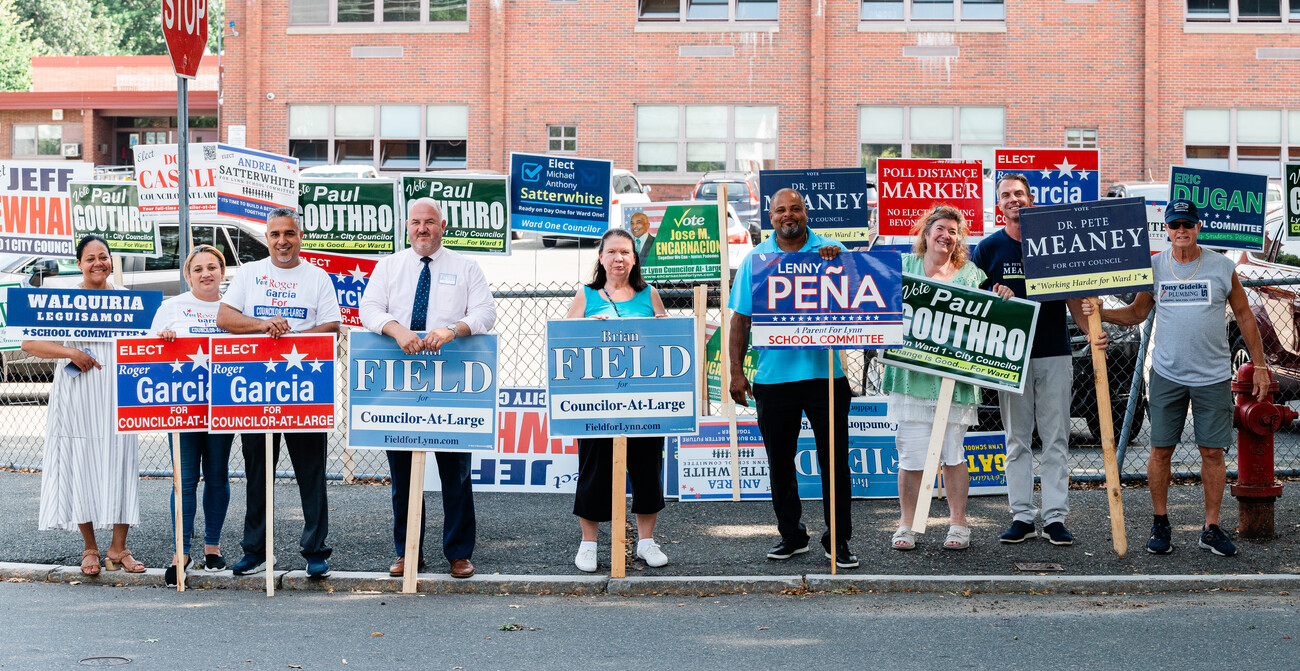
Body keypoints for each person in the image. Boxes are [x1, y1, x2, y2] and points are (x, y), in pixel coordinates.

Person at [1084, 199, 1269, 557]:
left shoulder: (1222, 267)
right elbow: (1138, 312)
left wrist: (1259, 365)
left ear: (1198, 227)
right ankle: (1161, 523)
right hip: (1167, 374)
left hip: (1213, 376)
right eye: (1175, 225)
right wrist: (1101, 312)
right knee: (1160, 451)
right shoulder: (1155, 266)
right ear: (1166, 229)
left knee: (1212, 453)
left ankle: (1211, 528)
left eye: (1187, 224)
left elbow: (1245, 316)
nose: (1181, 230)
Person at [359, 198, 496, 580]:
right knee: (403, 478)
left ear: (443, 225)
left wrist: (452, 330)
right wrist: (396, 328)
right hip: (399, 385)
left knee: (456, 476)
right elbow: (368, 309)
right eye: (417, 222)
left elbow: (485, 312)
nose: (423, 229)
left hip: (452, 384)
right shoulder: (389, 266)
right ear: (407, 226)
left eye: (430, 222)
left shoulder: (466, 267)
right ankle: (408, 552)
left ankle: (458, 553)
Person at [728, 188, 857, 569]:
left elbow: (862, 298)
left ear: (805, 213)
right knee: (780, 462)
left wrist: (839, 265)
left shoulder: (831, 250)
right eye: (781, 210)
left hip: (825, 376)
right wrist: (736, 371)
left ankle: (839, 540)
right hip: (773, 378)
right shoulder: (757, 259)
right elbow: (741, 319)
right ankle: (792, 535)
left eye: (795, 209)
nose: (789, 215)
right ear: (771, 217)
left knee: (834, 462)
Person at [971, 174, 1098, 546]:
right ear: (1000, 205)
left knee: (1056, 438)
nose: (1014, 200)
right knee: (1017, 439)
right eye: (1006, 195)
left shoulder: (1052, 241)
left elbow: (1074, 296)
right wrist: (995, 296)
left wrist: (1090, 330)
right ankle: (1022, 515)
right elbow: (973, 301)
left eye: (1019, 194)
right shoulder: (988, 248)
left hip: (1055, 352)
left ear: (1031, 199)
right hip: (1010, 358)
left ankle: (1055, 517)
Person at [217, 207, 342, 578]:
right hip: (255, 390)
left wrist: (292, 342)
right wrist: (261, 324)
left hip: (304, 386)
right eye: (275, 235)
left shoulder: (317, 278)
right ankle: (254, 551)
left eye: (289, 233)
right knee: (258, 473)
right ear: (266, 238)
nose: (282, 241)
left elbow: (332, 325)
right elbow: (224, 318)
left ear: (299, 237)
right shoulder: (251, 273)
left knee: (311, 473)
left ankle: (315, 551)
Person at [883, 206, 1012, 551]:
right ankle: (907, 524)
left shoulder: (971, 275)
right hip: (911, 377)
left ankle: (958, 523)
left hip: (954, 381)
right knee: (911, 456)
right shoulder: (901, 268)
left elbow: (988, 320)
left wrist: (1002, 298)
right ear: (926, 233)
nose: (946, 235)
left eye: (953, 231)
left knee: (953, 453)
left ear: (959, 238)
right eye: (940, 228)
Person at [27, 234, 145, 575]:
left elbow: (148, 341)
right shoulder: (64, 300)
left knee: (121, 464)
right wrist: (70, 352)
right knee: (82, 466)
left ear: (111, 261)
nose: (98, 263)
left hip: (119, 396)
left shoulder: (127, 300)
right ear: (79, 264)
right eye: (90, 258)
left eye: (103, 257)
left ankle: (118, 548)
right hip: (77, 396)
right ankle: (90, 548)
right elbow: (30, 342)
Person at [564, 228, 670, 573]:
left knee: (647, 469)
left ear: (634, 258)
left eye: (625, 252)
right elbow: (563, 342)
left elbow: (667, 341)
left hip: (643, 404)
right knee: (593, 471)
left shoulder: (649, 294)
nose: (618, 258)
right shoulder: (586, 294)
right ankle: (589, 544)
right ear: (600, 257)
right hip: (597, 405)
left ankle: (646, 542)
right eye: (611, 252)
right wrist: (586, 327)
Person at [151, 244, 232, 586]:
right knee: (184, 480)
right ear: (188, 275)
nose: (205, 274)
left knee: (216, 476)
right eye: (198, 269)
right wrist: (163, 339)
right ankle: (180, 552)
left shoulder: (233, 308)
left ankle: (211, 548)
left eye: (212, 267)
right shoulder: (171, 308)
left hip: (223, 405)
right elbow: (148, 354)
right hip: (181, 408)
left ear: (222, 272)